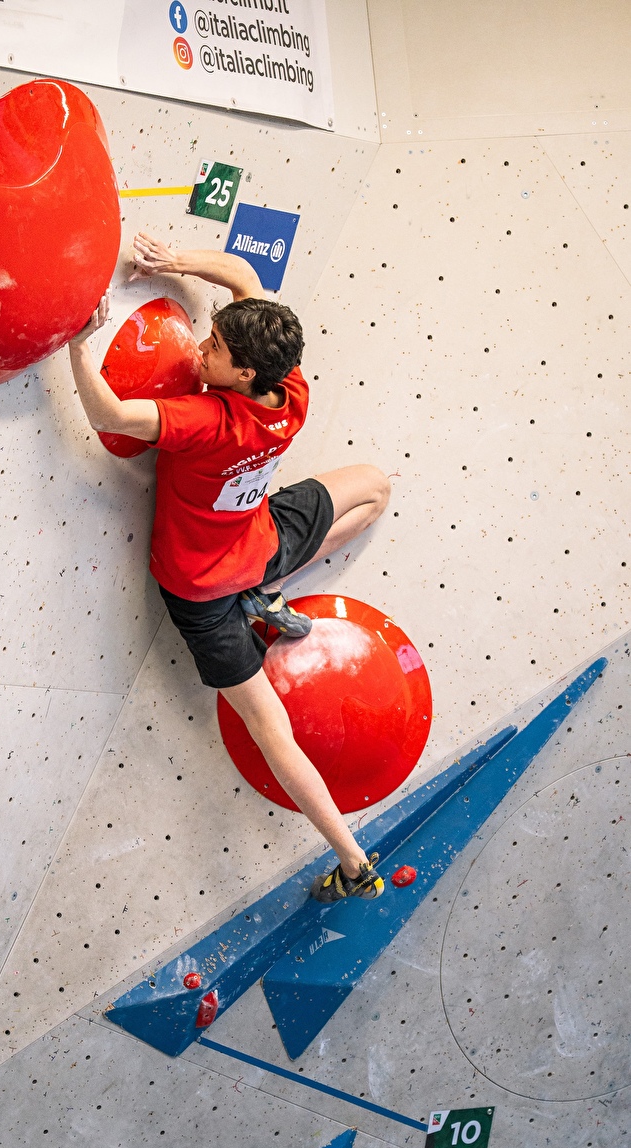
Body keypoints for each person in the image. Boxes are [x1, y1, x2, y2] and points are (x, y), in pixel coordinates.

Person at [67, 232, 391, 902]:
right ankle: (270, 588)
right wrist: (173, 263)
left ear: (242, 374)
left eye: (212, 348)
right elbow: (243, 276)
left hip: (200, 591)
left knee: (271, 730)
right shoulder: (289, 394)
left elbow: (108, 412)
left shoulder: (203, 421)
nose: (199, 349)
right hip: (258, 542)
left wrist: (78, 344)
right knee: (374, 488)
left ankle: (354, 860)